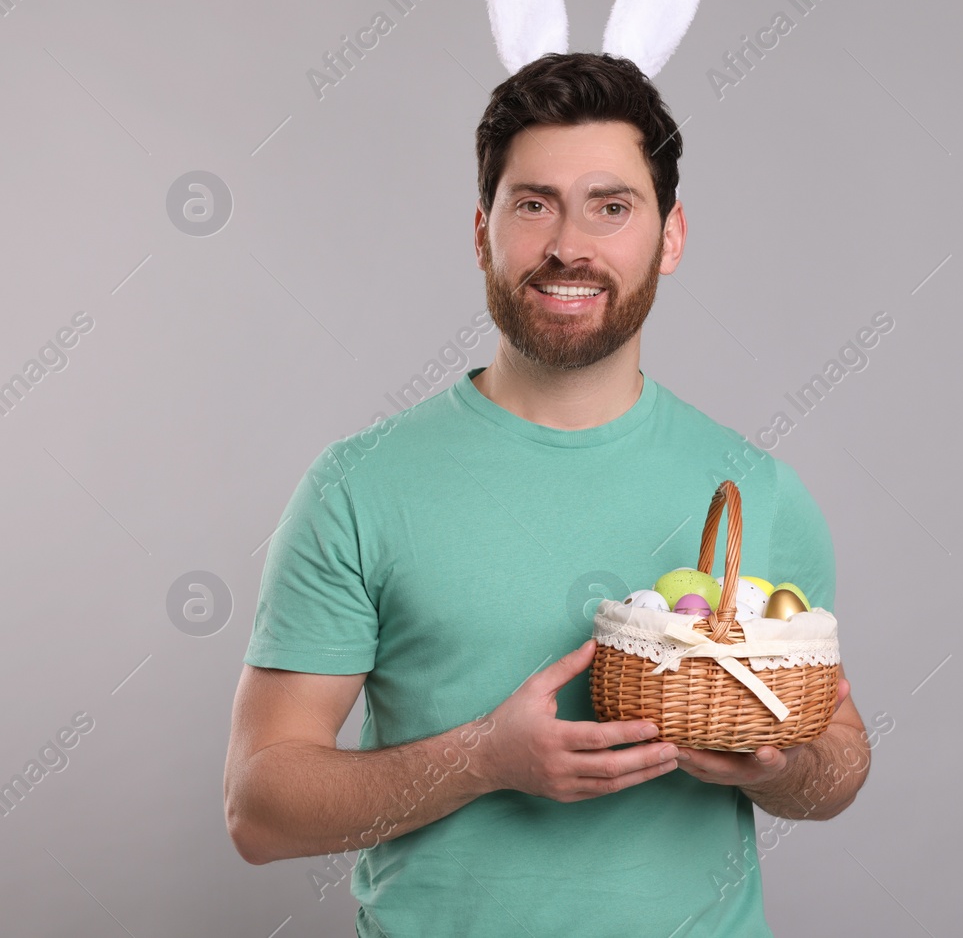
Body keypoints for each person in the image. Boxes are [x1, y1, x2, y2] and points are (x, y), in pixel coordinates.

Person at [222, 52, 870, 936]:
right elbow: (259, 809)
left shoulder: (754, 493)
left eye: (612, 206)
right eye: (534, 205)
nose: (570, 244)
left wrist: (772, 769)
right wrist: (482, 759)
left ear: (669, 236)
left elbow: (837, 763)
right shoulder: (358, 486)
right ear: (482, 230)